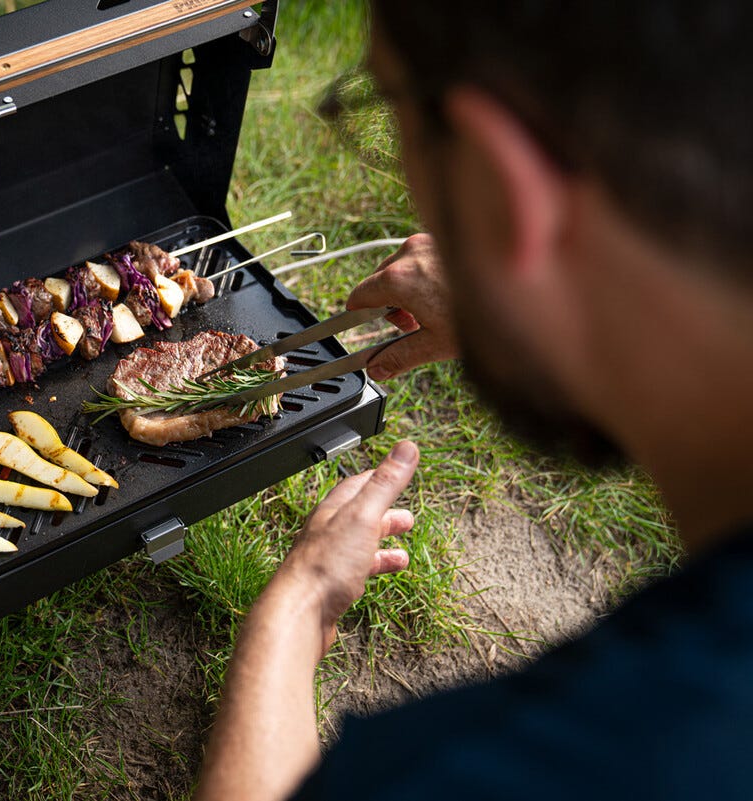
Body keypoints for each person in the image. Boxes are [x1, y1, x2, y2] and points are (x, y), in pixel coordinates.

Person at [193, 1, 753, 799]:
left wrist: (297, 602)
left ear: (507, 184)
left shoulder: (508, 766)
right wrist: (529, 292)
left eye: (385, 108)